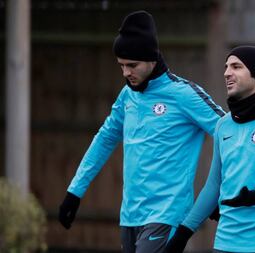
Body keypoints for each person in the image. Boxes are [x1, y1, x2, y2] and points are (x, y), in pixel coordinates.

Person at [58, 11, 224, 253]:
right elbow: (104, 140)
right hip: (130, 215)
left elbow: (231, 134)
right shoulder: (128, 96)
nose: (126, 72)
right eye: (122, 65)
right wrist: (75, 191)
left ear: (152, 59)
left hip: (167, 215)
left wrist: (220, 190)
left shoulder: (184, 94)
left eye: (132, 65)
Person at [165, 46, 255, 253]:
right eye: (226, 67)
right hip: (224, 240)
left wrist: (253, 196)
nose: (227, 72)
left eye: (236, 66)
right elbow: (213, 185)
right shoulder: (223, 125)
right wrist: (183, 233)